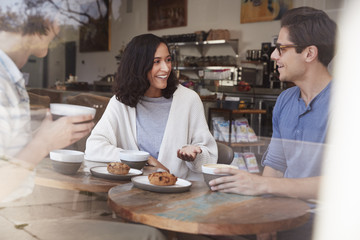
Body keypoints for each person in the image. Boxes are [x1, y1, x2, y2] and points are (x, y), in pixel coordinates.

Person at [209, 7, 336, 240]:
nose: (273, 56)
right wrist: (266, 217)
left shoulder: (346, 104)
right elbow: (276, 167)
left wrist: (260, 186)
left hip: (328, 221)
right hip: (284, 214)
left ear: (309, 53)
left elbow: (339, 184)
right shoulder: (285, 101)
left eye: (282, 48)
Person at [85, 33, 217, 181]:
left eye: (168, 60)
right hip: (131, 194)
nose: (166, 68)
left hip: (177, 195)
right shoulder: (120, 102)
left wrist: (194, 155)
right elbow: (93, 148)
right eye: (156, 62)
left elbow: (209, 157)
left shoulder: (188, 100)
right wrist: (144, 159)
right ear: (138, 66)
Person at [0, 2, 94, 202]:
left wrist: (41, 134)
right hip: (12, 221)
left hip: (24, 208)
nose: (60, 28)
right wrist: (43, 142)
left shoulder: (11, 80)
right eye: (59, 16)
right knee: (148, 235)